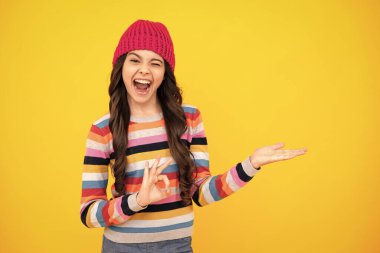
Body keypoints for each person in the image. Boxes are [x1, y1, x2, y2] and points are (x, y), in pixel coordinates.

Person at [79, 19, 307, 253]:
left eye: (155, 63)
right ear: (121, 67)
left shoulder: (188, 119)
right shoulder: (102, 129)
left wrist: (250, 165)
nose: (144, 69)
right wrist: (137, 201)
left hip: (178, 247)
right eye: (135, 60)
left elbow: (201, 193)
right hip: (122, 248)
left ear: (164, 72)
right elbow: (88, 213)